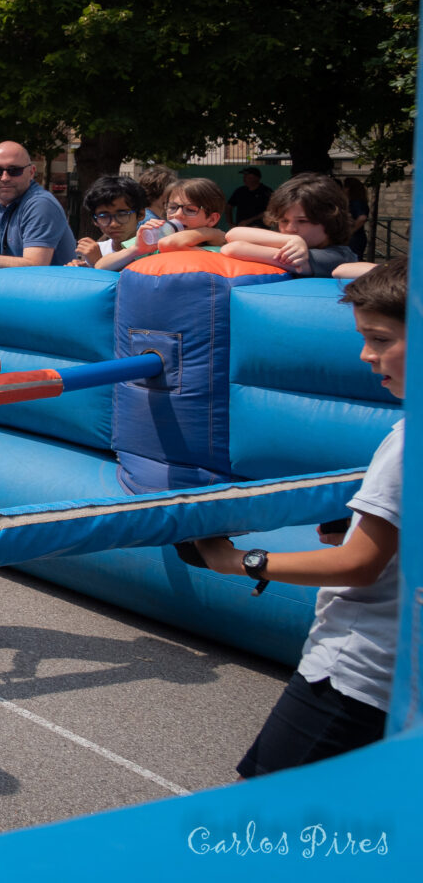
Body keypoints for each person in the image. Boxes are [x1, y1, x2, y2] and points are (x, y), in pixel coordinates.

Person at [185, 260, 404, 777]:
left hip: (360, 673)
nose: (365, 355)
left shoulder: (406, 444)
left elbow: (359, 566)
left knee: (265, 821)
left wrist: (237, 559)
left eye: (379, 338)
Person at [223, 173, 359, 279]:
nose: (290, 229)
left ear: (331, 221)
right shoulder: (295, 243)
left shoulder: (337, 257)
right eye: (284, 221)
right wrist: (291, 240)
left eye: (303, 221)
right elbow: (232, 234)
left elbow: (234, 248)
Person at [0, 141, 77, 267]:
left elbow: (35, 265)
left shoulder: (41, 204)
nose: (5, 177)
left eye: (14, 170)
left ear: (31, 172)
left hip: (47, 285)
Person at [98, 177, 226, 271]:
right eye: (172, 207)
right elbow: (101, 266)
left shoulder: (220, 249)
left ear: (212, 219)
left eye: (191, 210)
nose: (177, 214)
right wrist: (136, 249)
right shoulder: (154, 240)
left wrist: (208, 234)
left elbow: (173, 243)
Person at [71, 175, 148, 267]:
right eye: (104, 216)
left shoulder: (150, 250)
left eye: (122, 214)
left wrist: (98, 262)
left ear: (140, 214)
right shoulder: (96, 250)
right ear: (95, 220)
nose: (113, 224)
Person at [344, 177, 370, 259]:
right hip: (358, 237)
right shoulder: (361, 202)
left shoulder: (355, 203)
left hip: (354, 238)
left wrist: (351, 231)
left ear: (348, 189)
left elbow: (362, 218)